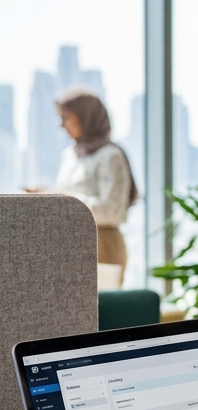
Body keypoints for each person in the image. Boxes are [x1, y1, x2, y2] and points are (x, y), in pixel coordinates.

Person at [31, 88, 138, 286]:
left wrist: (62, 197)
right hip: (68, 246)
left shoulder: (110, 155)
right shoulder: (70, 155)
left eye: (67, 117)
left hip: (102, 245)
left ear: (86, 116)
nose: (62, 125)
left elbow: (113, 211)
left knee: (102, 305)